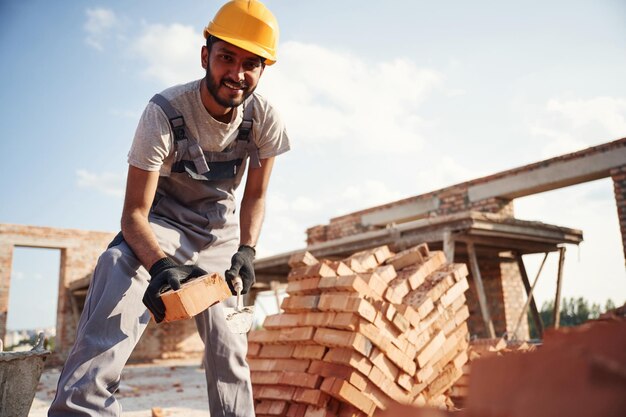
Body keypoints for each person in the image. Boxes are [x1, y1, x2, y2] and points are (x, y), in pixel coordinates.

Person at [48, 1, 289, 416]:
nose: (236, 73)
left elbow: (255, 197)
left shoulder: (265, 119)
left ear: (263, 69)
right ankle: (82, 408)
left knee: (229, 344)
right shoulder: (164, 112)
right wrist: (159, 266)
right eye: (226, 57)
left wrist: (247, 251)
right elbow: (133, 216)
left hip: (219, 232)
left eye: (251, 63)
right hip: (162, 224)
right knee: (117, 265)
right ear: (205, 55)